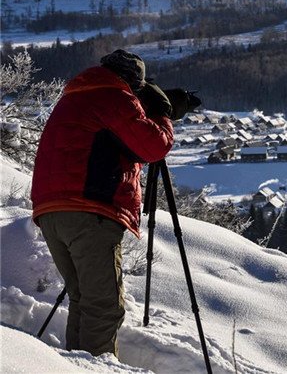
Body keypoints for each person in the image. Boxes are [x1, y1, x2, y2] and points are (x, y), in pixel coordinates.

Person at [31, 49, 192, 357]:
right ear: (132, 83)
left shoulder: (76, 96)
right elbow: (153, 146)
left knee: (83, 299)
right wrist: (162, 114)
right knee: (104, 307)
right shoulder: (113, 96)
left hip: (51, 211)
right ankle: (97, 367)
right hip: (89, 211)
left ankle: (74, 364)